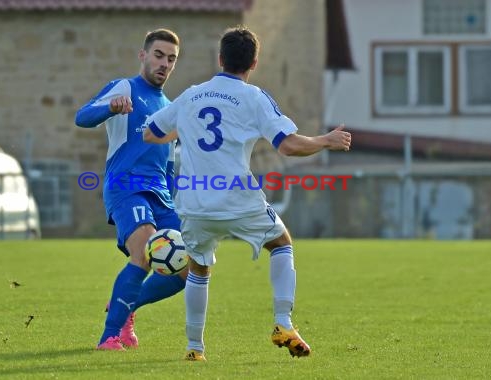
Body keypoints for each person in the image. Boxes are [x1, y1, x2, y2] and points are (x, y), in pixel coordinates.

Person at [143, 25, 351, 361]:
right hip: (237, 198)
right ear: (253, 64)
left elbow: (151, 134)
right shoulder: (254, 98)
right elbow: (289, 146)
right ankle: (283, 322)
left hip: (194, 201)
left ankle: (195, 349)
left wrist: (186, 130)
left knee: (198, 269)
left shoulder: (191, 95)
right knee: (281, 243)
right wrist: (325, 140)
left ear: (220, 58)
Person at [75, 28, 187, 351]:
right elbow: (81, 117)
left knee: (189, 265)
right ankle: (109, 337)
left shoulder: (169, 107)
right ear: (143, 55)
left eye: (171, 59)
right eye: (158, 55)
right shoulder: (123, 88)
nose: (164, 63)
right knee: (145, 252)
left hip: (161, 195)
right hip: (125, 185)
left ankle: (126, 307)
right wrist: (110, 108)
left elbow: (167, 164)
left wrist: (173, 199)